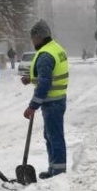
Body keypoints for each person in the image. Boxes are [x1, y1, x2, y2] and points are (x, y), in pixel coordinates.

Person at [21, 19, 68, 179]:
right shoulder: (55, 48)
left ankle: (59, 173)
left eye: (33, 38)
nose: (32, 41)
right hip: (57, 100)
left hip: (52, 102)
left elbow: (45, 84)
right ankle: (54, 168)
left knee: (54, 137)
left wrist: (32, 106)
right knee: (51, 136)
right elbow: (47, 76)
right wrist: (31, 78)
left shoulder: (45, 55)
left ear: (39, 37)